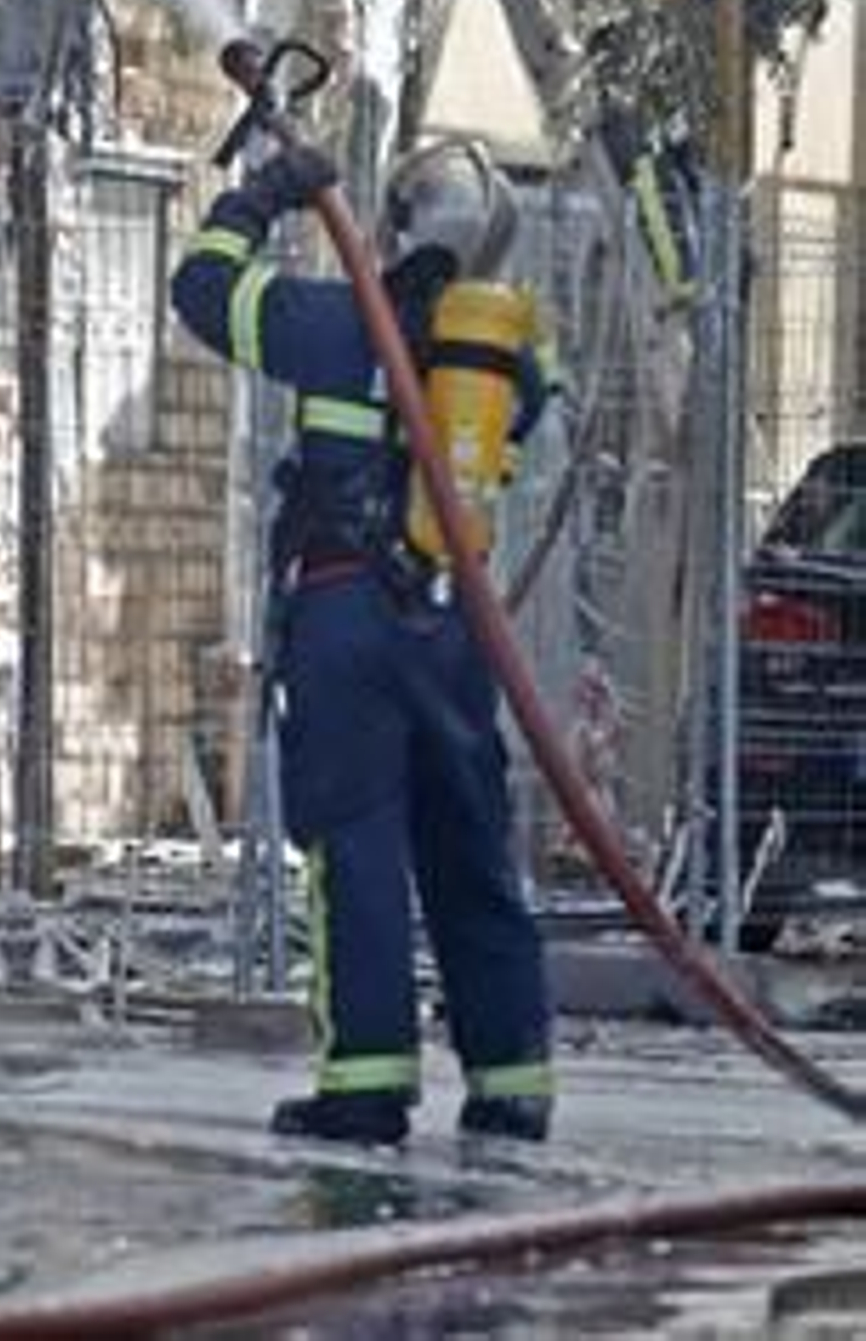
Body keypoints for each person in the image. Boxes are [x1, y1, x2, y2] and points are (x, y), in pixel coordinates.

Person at [171, 135, 555, 1147]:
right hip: (451, 622)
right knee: (471, 846)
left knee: (355, 845)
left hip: (346, 614)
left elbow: (203, 288)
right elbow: (534, 392)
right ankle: (512, 1082)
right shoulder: (507, 359)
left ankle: (365, 1085)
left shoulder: (336, 322)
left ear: (393, 223)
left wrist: (257, 198)